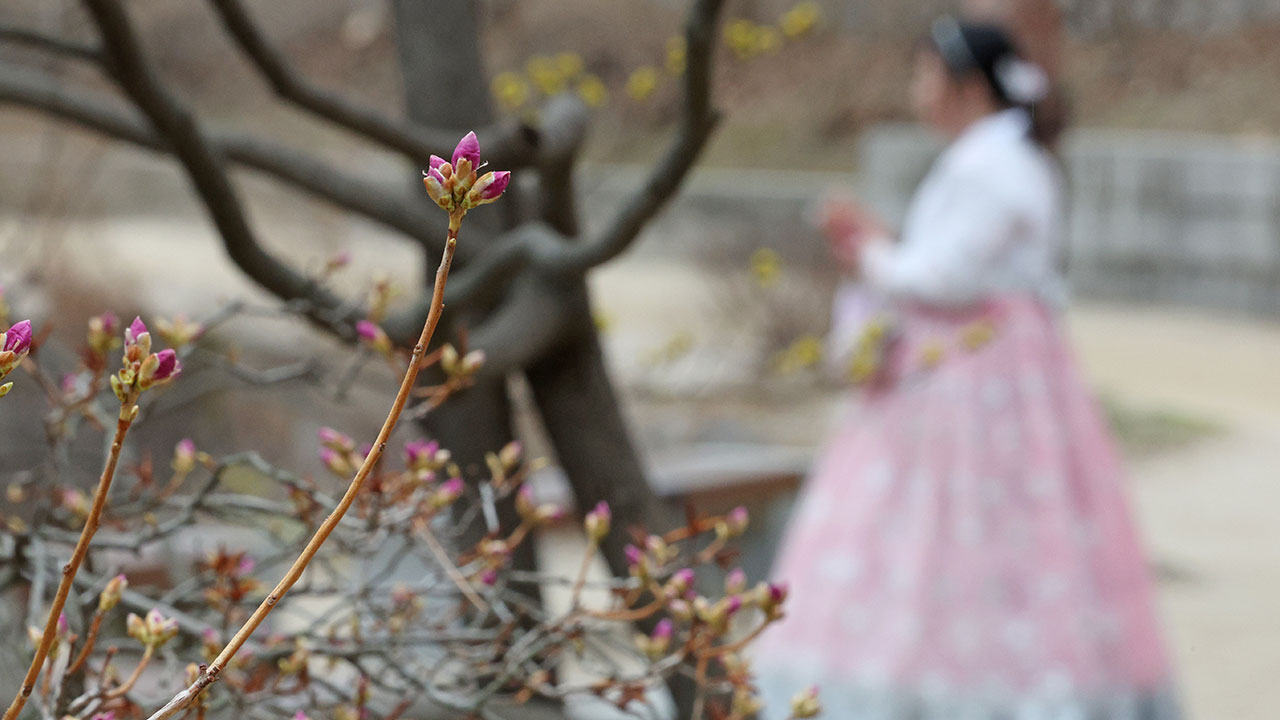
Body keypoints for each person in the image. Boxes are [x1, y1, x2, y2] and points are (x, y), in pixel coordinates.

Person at [752, 17, 1182, 720]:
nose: (916, 92)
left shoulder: (996, 165)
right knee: (987, 537)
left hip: (975, 379)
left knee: (950, 529)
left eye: (924, 76)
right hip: (982, 371)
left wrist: (868, 255)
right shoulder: (996, 158)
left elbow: (946, 277)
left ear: (967, 86)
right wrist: (886, 248)